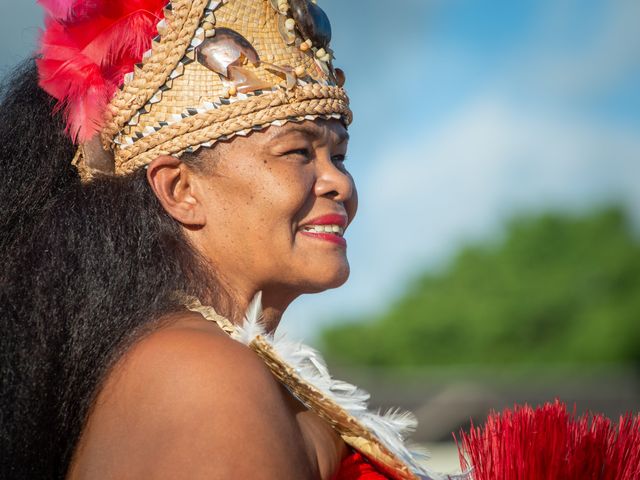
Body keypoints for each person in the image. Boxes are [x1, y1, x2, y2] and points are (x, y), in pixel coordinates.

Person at [0, 1, 456, 479]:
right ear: (181, 190)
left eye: (338, 157)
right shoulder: (199, 373)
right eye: (298, 152)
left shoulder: (189, 359)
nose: (338, 184)